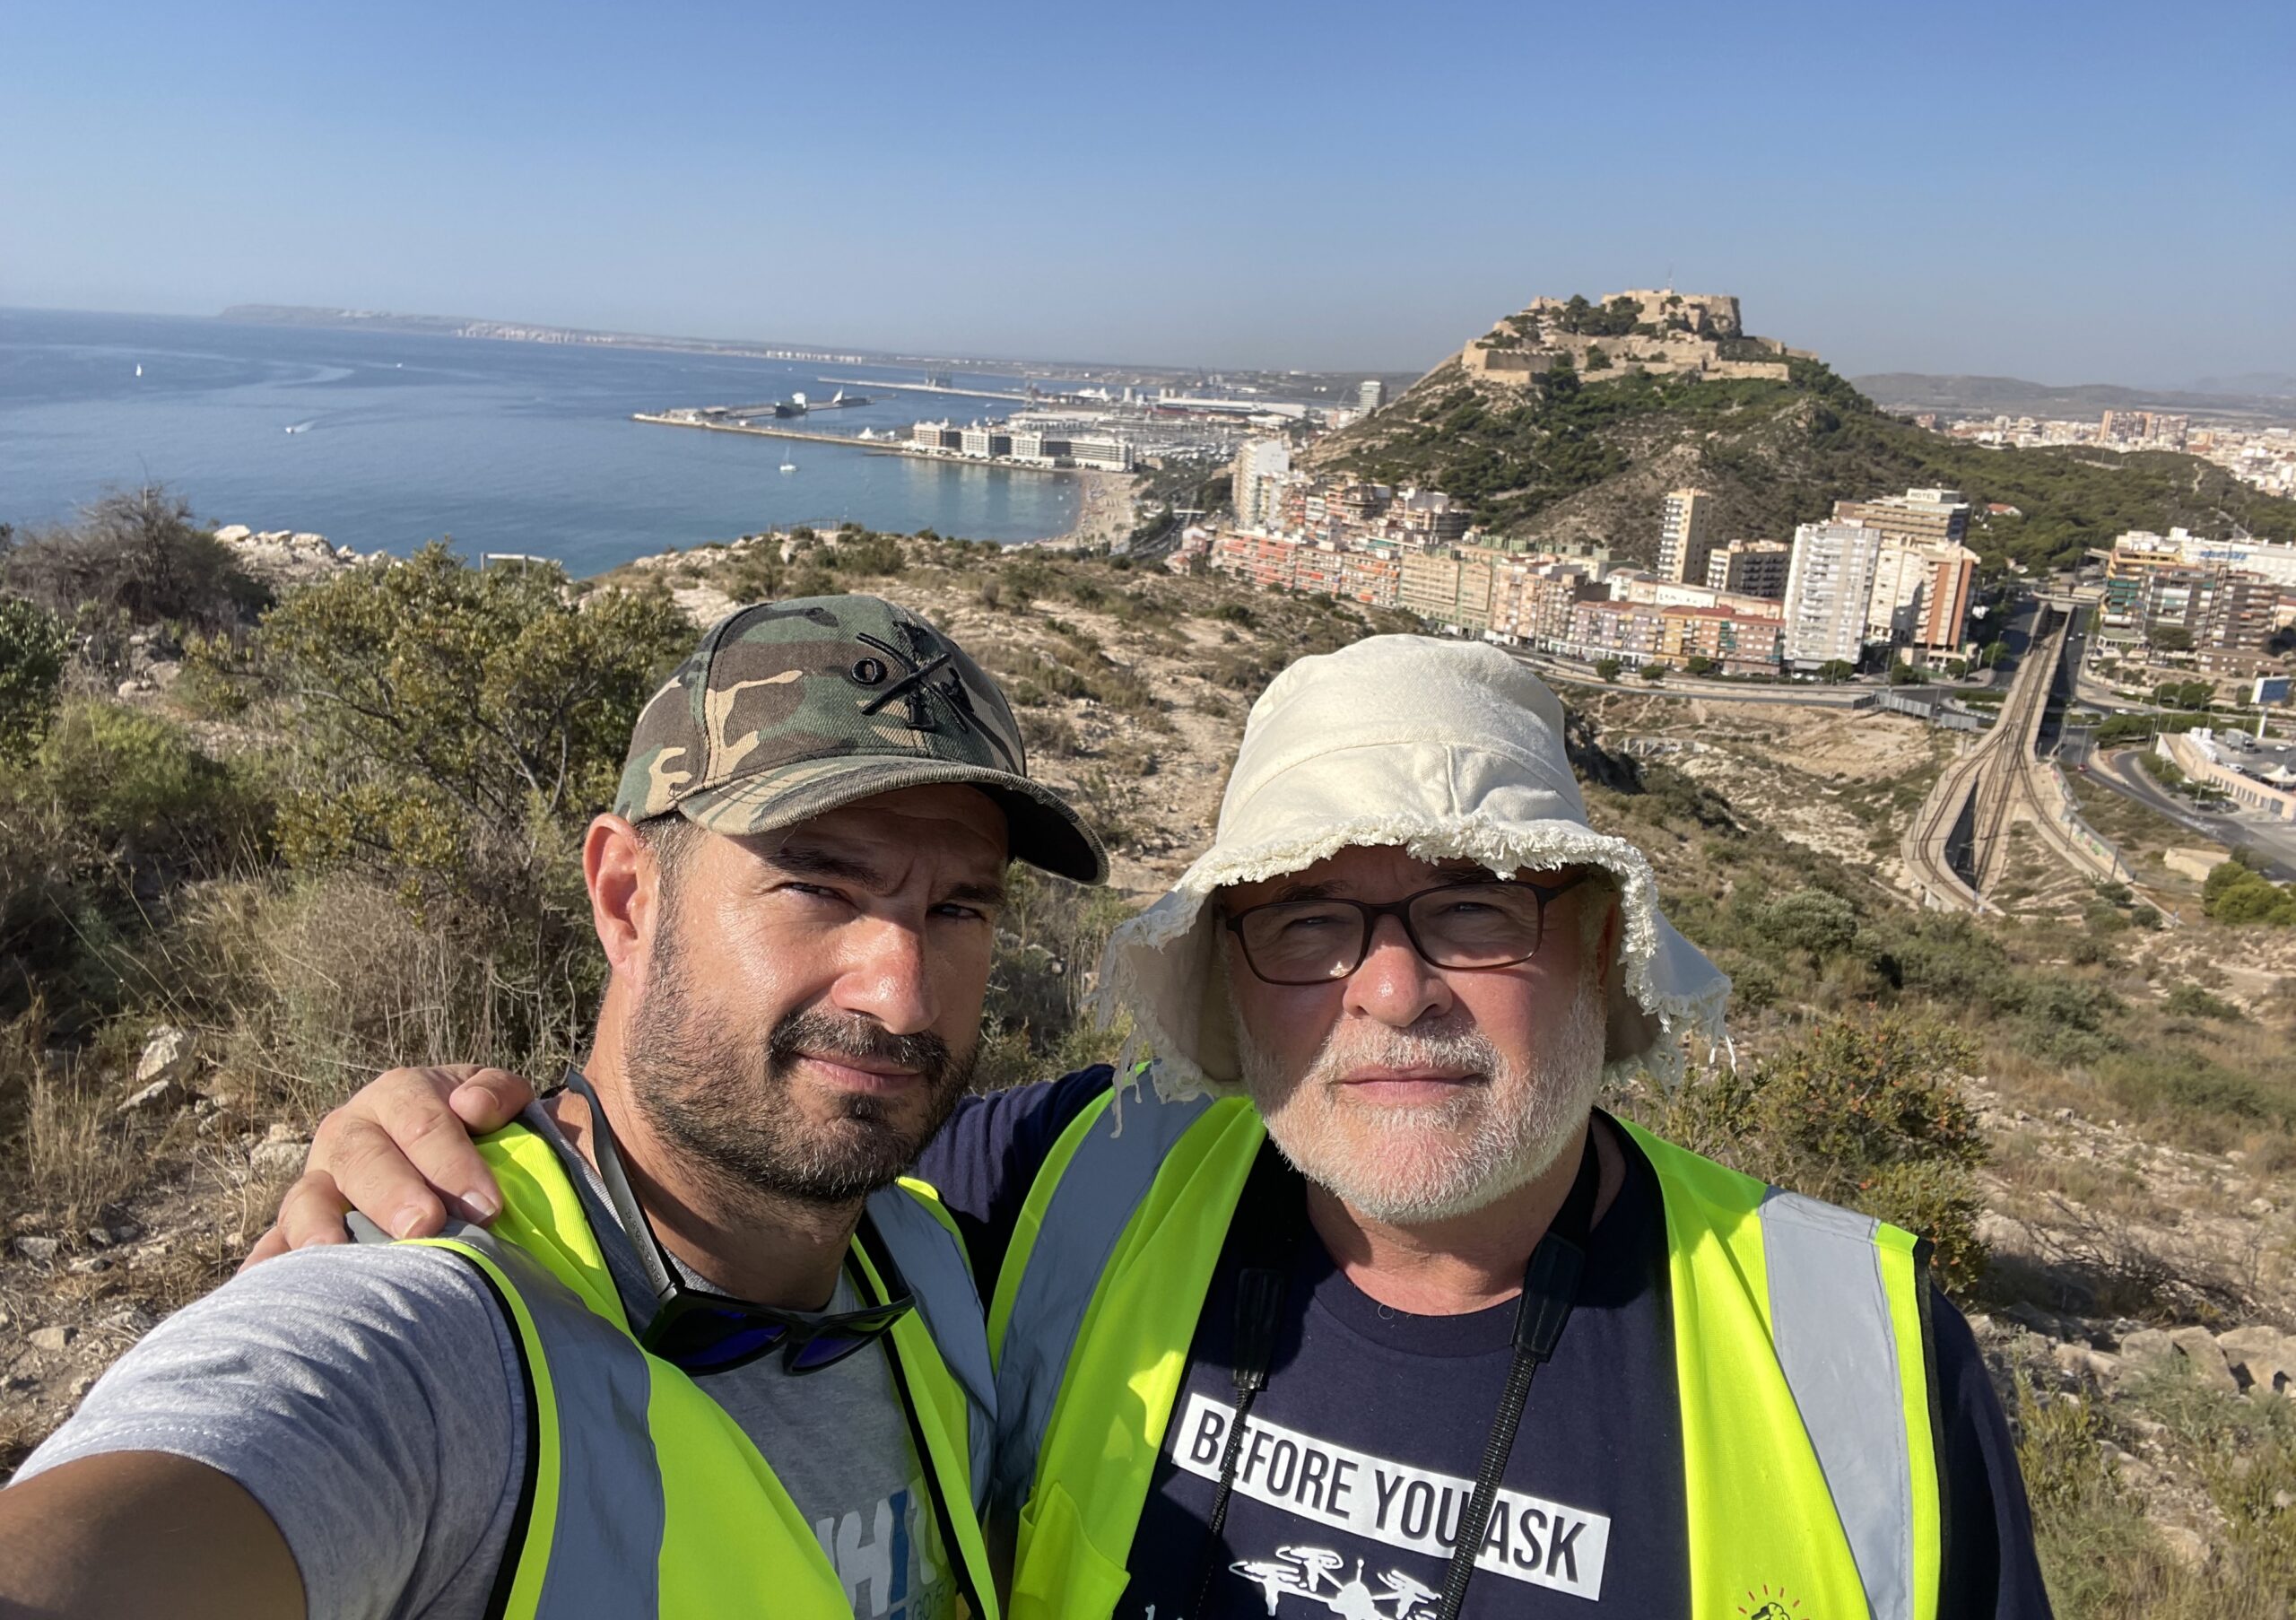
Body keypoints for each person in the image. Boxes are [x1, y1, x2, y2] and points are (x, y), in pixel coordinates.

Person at [250, 636, 2053, 1618]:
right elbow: (754, 1153)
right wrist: (446, 1149)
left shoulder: (1856, 1362)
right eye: (1310, 922)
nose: (1391, 990)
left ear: (1592, 946)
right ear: (1233, 979)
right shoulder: (1061, 1183)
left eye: (1474, 911)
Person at [0, 594, 1107, 1620]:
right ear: (627, 898)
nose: (903, 994)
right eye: (818, 886)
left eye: (958, 909)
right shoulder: (434, 1336)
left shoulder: (926, 1264)